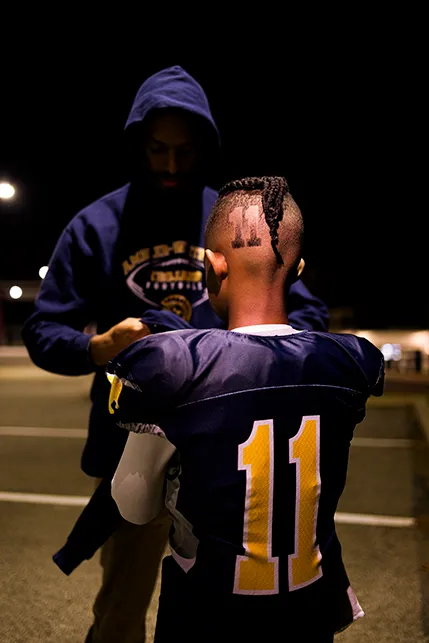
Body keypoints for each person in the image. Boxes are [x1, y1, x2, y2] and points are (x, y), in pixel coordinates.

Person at [21, 65, 328, 643]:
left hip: (230, 447)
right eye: (157, 149)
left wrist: (241, 348)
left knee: (226, 611)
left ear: (206, 147)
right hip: (131, 441)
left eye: (184, 152)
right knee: (120, 609)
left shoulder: (238, 218)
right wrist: (98, 346)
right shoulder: (96, 225)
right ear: (139, 142)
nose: (169, 166)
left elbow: (309, 314)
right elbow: (44, 328)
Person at [107, 176, 384, 643]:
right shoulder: (344, 362)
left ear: (215, 266)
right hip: (308, 612)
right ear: (297, 270)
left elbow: (133, 506)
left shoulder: (181, 365)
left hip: (210, 614)